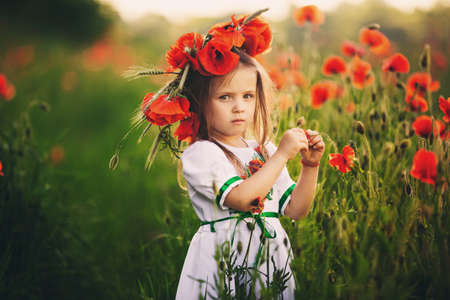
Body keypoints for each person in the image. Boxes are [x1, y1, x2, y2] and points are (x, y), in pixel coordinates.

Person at [175, 47, 325, 299]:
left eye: (247, 96)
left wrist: (310, 166)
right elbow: (242, 199)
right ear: (199, 102)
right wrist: (280, 157)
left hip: (268, 260)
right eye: (225, 97)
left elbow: (296, 210)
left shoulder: (263, 149)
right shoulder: (202, 153)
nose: (238, 107)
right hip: (223, 261)